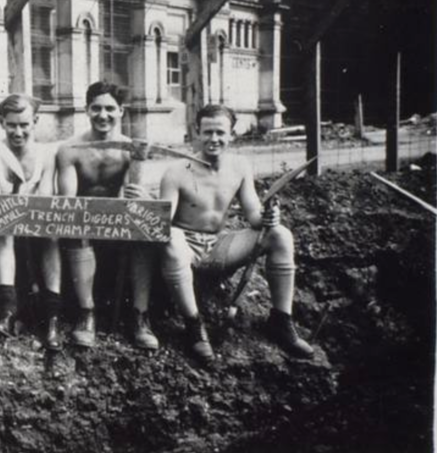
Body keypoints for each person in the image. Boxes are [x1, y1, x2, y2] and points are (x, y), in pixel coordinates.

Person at [159, 103, 314, 365]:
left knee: (280, 235)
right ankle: (194, 326)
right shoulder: (176, 172)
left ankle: (281, 320)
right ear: (196, 132)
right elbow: (162, 224)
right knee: (171, 238)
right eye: (207, 132)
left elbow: (253, 215)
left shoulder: (239, 166)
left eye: (221, 132)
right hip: (186, 246)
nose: (214, 139)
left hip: (220, 245)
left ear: (232, 134)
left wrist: (268, 216)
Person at [55, 82, 157, 350]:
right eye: (96, 108)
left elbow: (131, 197)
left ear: (121, 111)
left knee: (144, 231)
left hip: (117, 222)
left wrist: (138, 183)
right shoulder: (70, 149)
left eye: (110, 108)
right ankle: (86, 313)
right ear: (87, 110)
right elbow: (68, 201)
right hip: (82, 224)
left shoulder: (130, 149)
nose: (103, 115)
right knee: (76, 224)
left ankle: (139, 316)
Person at [0, 94, 63, 350]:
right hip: (6, 224)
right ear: (2, 123)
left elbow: (45, 199)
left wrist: (29, 213)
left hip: (35, 222)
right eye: (11, 125)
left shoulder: (46, 155)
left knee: (51, 235)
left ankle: (52, 316)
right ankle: (7, 309)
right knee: (5, 228)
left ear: (35, 122)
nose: (18, 132)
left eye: (24, 125)